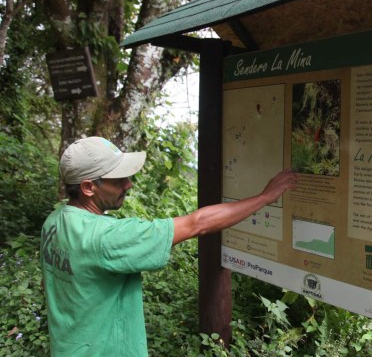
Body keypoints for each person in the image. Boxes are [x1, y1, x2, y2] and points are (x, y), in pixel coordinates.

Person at [40, 136, 297, 356]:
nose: (128, 184)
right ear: (87, 187)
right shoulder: (107, 237)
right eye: (118, 180)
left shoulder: (54, 221)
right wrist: (265, 197)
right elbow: (197, 224)